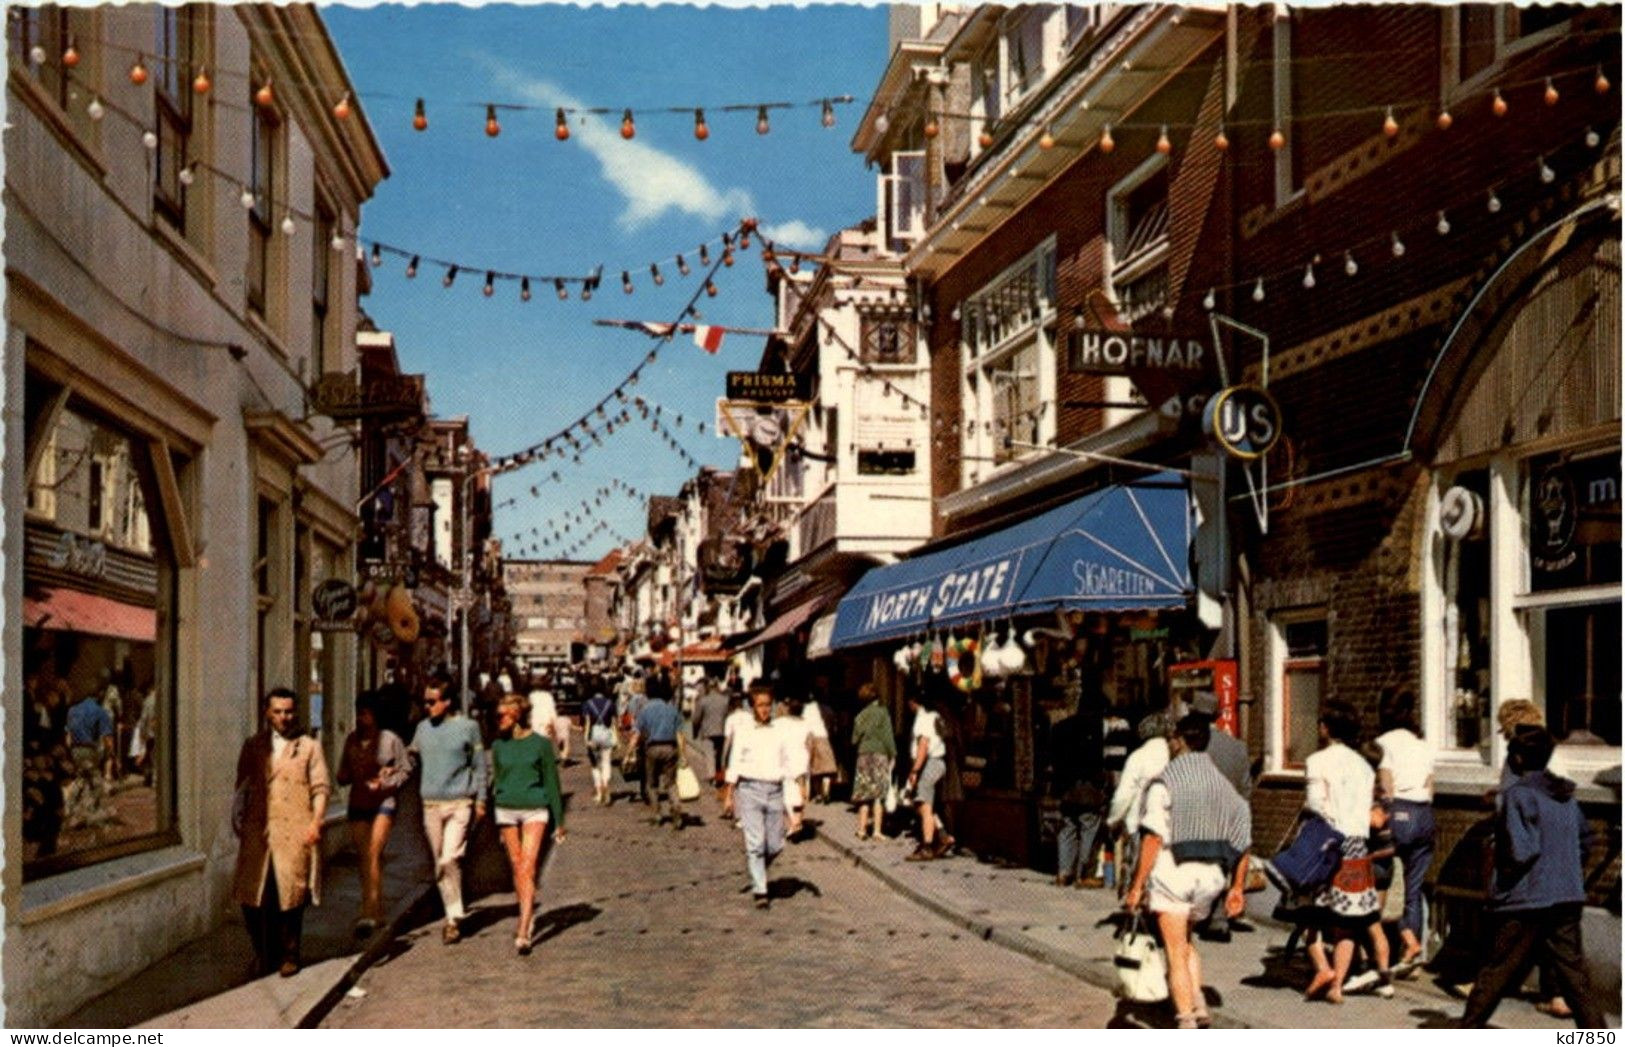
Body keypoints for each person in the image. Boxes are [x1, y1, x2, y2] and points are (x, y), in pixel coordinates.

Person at [1459, 727, 1604, 1028]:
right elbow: (1586, 840)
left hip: (1526, 898)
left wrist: (1500, 878)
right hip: (1566, 895)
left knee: (1496, 971)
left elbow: (1520, 851)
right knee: (1574, 977)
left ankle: (1466, 1031)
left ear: (1518, 758)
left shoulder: (1518, 795)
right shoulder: (1567, 796)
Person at [1124, 714, 1252, 1030]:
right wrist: (1237, 887)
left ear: (1178, 741)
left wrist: (1137, 885)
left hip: (1173, 873)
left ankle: (1185, 1019)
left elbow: (1153, 837)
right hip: (1211, 877)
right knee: (1186, 941)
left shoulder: (1166, 780)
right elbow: (1244, 836)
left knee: (1175, 950)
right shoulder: (1221, 785)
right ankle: (1199, 1002)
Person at [232, 688, 331, 977]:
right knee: (252, 898)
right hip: (259, 831)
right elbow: (242, 787)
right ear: (267, 713)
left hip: (294, 830)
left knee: (290, 896)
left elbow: (321, 788)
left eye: (288, 711)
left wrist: (317, 821)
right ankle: (264, 954)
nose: (283, 717)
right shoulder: (253, 746)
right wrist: (238, 820)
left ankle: (289, 955)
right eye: (277, 711)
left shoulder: (309, 747)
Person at [1301, 702, 1392, 1003]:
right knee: (1347, 923)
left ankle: (1323, 969)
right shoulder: (1364, 766)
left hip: (1327, 844)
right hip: (1357, 847)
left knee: (1310, 916)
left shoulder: (1317, 760)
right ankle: (1337, 985)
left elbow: (1315, 804)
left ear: (1326, 728)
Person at [409, 673, 488, 945]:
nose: (427, 707)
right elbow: (412, 757)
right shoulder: (422, 729)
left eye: (432, 702)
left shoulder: (468, 728)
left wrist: (481, 800)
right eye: (425, 702)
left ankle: (453, 918)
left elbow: (480, 766)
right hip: (430, 804)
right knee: (440, 864)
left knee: (449, 858)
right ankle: (452, 913)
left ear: (447, 702)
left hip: (459, 803)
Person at [489, 693, 566, 956]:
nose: (496, 720)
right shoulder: (498, 745)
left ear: (516, 716)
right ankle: (528, 909)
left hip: (535, 808)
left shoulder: (540, 744)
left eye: (501, 715)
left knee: (528, 866)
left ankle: (523, 928)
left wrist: (559, 820)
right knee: (517, 865)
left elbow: (552, 783)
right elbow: (497, 780)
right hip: (506, 810)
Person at [721, 683, 802, 908]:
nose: (765, 710)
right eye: (760, 706)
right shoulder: (744, 731)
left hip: (775, 791)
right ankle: (760, 890)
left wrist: (795, 801)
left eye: (768, 705)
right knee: (755, 844)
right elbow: (735, 762)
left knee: (776, 845)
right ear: (752, 707)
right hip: (749, 790)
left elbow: (788, 765)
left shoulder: (779, 731)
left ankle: (757, 870)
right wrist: (728, 795)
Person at [337, 691, 410, 939]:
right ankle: (375, 909)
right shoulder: (351, 741)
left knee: (373, 852)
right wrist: (345, 777)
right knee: (364, 857)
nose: (361, 718)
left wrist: (388, 781)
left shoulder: (390, 740)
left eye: (365, 713)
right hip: (358, 801)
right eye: (359, 713)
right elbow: (342, 772)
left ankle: (369, 911)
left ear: (375, 715)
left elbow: (406, 769)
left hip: (384, 802)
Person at [1373, 687, 1434, 976]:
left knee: (1388, 884)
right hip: (1425, 815)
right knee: (1414, 889)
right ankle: (1412, 961)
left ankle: (1396, 947)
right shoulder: (1423, 745)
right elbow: (1430, 788)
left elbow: (1385, 787)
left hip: (1399, 812)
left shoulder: (1384, 743)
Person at [1048, 705, 1107, 888]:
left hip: (1066, 787)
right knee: (1088, 829)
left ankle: (1063, 873)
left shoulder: (1060, 727)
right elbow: (1096, 760)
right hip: (1087, 788)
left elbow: (1053, 757)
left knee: (1067, 828)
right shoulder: (1095, 727)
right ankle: (1083, 873)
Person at [904, 692, 952, 861]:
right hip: (939, 762)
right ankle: (943, 835)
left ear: (913, 701)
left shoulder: (923, 719)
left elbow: (923, 745)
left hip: (929, 763)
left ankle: (927, 846)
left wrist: (915, 770)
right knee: (924, 805)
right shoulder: (936, 716)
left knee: (923, 805)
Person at [632, 679, 684, 828]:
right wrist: (683, 754)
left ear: (647, 693)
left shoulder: (645, 710)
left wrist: (628, 752)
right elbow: (680, 735)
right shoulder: (672, 709)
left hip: (652, 749)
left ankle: (657, 814)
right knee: (671, 783)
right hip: (670, 748)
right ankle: (676, 808)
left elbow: (637, 734)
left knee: (651, 783)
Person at [849, 683, 896, 840]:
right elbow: (888, 736)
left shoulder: (860, 716)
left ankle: (861, 830)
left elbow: (854, 739)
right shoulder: (883, 713)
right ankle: (876, 831)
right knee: (878, 795)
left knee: (864, 794)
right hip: (880, 754)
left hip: (863, 755)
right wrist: (893, 754)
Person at [64, 688, 115, 827]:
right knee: (95, 780)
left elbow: (68, 738)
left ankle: (70, 808)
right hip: (89, 750)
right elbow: (107, 738)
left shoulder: (72, 710)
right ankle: (93, 812)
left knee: (81, 778)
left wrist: (71, 754)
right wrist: (111, 754)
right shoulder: (100, 712)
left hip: (75, 750)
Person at [777, 696, 814, 831]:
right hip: (802, 758)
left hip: (787, 759)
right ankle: (798, 821)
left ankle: (794, 822)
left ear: (789, 709)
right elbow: (810, 743)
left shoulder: (781, 723)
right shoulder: (806, 723)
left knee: (787, 792)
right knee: (801, 793)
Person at [581, 680, 618, 806]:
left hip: (594, 735)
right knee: (606, 762)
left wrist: (586, 738)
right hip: (607, 735)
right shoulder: (610, 703)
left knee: (595, 766)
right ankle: (606, 784)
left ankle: (598, 793)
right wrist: (617, 738)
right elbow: (614, 723)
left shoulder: (587, 703)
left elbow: (587, 723)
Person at [804, 683, 839, 804]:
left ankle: (816, 793)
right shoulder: (827, 709)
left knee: (813, 769)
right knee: (826, 768)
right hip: (823, 737)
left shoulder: (806, 708)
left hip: (809, 737)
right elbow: (832, 725)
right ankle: (826, 792)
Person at [692, 677, 731, 787]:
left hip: (707, 732)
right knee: (719, 756)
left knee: (709, 756)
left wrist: (695, 731)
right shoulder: (725, 700)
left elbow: (696, 719)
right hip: (721, 731)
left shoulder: (703, 701)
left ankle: (712, 776)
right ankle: (719, 776)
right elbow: (727, 716)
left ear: (709, 688)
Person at [529, 676, 569, 762]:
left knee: (535, 738)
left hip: (535, 719)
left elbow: (529, 709)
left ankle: (536, 756)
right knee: (545, 739)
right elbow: (552, 710)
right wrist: (554, 721)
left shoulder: (531, 696)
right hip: (546, 720)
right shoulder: (548, 696)